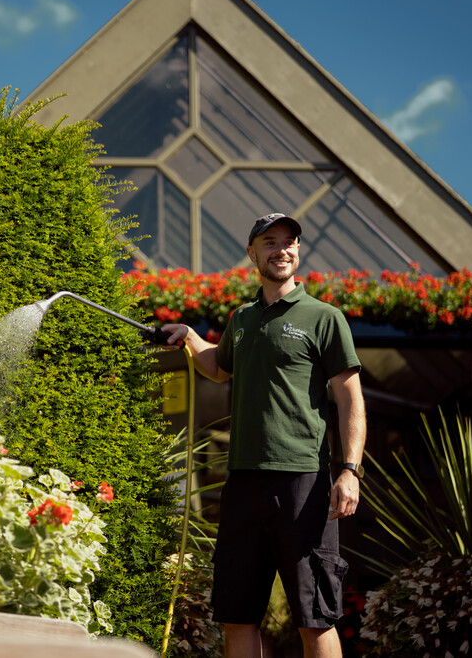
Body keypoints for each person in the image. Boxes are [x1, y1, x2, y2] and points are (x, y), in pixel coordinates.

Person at [161, 213, 366, 658]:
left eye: (290, 241)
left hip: (303, 484)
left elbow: (350, 398)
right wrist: (192, 338)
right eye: (270, 242)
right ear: (252, 253)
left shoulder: (324, 317)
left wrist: (349, 471)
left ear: (298, 251)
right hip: (243, 484)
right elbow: (218, 367)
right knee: (238, 615)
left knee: (315, 617)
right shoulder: (243, 318)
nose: (282, 250)